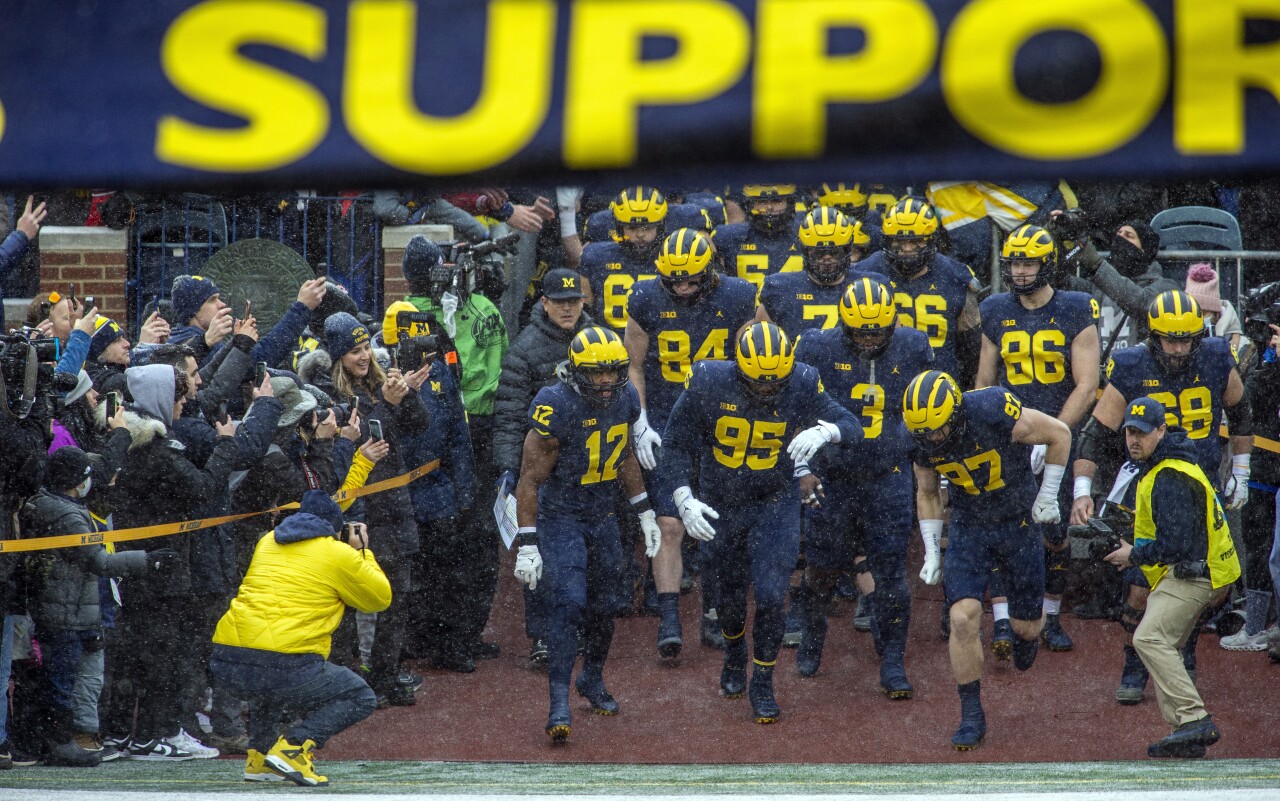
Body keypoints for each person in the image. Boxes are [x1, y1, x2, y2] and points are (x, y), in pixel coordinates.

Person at [660, 322, 861, 724]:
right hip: (721, 501)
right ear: (739, 367)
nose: (768, 390)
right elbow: (675, 444)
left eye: (776, 382)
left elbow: (853, 426)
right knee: (728, 597)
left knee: (771, 595)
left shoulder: (803, 380)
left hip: (774, 499)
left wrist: (829, 432)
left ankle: (763, 681)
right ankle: (735, 654)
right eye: (759, 382)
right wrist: (684, 498)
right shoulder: (708, 380)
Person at [1071, 290, 1250, 704]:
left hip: (1199, 484)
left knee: (1211, 584)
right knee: (1139, 590)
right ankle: (1136, 660)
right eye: (1170, 339)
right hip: (1150, 487)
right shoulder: (1134, 363)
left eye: (1186, 338)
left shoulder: (1216, 355)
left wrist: (1240, 469)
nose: (1179, 347)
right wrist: (1083, 491)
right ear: (1153, 337)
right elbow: (1097, 433)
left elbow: (1241, 411)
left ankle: (1181, 649)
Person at [904, 370, 1072, 749]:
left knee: (1026, 628)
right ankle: (971, 713)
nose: (931, 439)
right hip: (969, 524)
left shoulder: (992, 408)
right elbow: (928, 492)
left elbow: (1060, 434)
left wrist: (1047, 495)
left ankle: (1027, 634)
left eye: (937, 429)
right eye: (923, 432)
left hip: (1018, 520)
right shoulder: (918, 437)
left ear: (956, 413)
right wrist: (932, 549)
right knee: (962, 617)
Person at [512, 326, 660, 742]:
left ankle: (590, 678)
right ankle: (558, 699)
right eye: (595, 374)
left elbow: (625, 453)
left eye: (612, 372)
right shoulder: (554, 404)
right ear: (575, 371)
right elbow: (529, 479)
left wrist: (644, 509)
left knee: (607, 604)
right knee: (567, 604)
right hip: (561, 514)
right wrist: (528, 542)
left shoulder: (626, 397)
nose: (605, 382)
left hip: (602, 512)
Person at [792, 277, 933, 695]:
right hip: (833, 475)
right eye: (861, 330)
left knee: (890, 572)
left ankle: (892, 657)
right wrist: (803, 467)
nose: (870, 339)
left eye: (878, 330)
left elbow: (928, 405)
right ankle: (814, 633)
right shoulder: (817, 347)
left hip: (887, 474)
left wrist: (927, 469)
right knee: (820, 568)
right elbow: (795, 408)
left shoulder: (913, 346)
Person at [624, 228, 758, 660]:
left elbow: (757, 361)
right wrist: (639, 419)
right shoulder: (645, 299)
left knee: (717, 525)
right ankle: (668, 617)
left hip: (722, 421)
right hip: (667, 423)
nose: (682, 286)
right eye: (674, 279)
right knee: (670, 524)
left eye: (690, 278)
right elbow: (634, 365)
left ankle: (714, 612)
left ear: (710, 271)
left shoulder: (739, 297)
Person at [211, 490, 392, 786]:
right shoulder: (338, 554)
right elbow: (379, 598)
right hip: (285, 660)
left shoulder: (268, 541)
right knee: (360, 696)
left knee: (268, 685)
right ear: (335, 527)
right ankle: (293, 748)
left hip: (227, 658)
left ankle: (260, 758)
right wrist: (361, 551)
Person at [976, 225, 1101, 654]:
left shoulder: (1076, 308)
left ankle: (1049, 614)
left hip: (1055, 436)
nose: (1019, 270)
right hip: (1008, 435)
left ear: (1048, 264)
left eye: (1028, 262)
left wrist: (1051, 438)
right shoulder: (994, 308)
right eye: (1013, 262)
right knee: (998, 527)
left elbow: (1086, 385)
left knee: (1054, 532)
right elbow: (984, 382)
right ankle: (1002, 621)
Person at [21, 448, 178, 767]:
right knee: (63, 681)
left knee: (79, 678)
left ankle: (78, 737)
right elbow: (97, 560)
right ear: (75, 481)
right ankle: (59, 742)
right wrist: (149, 560)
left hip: (76, 607)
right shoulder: (67, 515)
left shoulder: (51, 504)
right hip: (67, 610)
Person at [1102, 397, 1240, 759]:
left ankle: (1194, 719)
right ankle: (1184, 730)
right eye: (1130, 432)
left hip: (1192, 575)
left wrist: (1132, 553)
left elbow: (1175, 544)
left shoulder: (1168, 475)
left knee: (1148, 639)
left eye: (1142, 433)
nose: (1134, 440)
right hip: (1200, 572)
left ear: (1161, 431)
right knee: (1162, 643)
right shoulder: (1171, 465)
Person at [308, 312, 432, 707]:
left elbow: (418, 426)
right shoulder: (328, 392)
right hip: (358, 508)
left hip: (394, 504)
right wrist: (390, 406)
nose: (364, 357)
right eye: (354, 351)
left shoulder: (380, 382)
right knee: (347, 599)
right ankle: (350, 679)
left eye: (366, 348)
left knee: (396, 595)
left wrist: (406, 395)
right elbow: (358, 438)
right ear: (337, 355)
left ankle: (385, 674)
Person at [400, 235, 508, 661]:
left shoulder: (404, 316)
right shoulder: (482, 310)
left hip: (432, 436)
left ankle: (434, 636)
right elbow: (492, 376)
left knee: (438, 543)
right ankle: (454, 636)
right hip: (468, 432)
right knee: (468, 541)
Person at [493, 269, 594, 664]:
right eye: (560, 302)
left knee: (590, 553)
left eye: (575, 301)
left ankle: (581, 626)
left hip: (590, 467)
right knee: (538, 554)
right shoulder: (525, 349)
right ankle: (544, 636)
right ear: (545, 303)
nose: (568, 308)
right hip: (543, 472)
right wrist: (507, 469)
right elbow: (509, 416)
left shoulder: (598, 340)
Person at [858, 198, 983, 386]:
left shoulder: (956, 275)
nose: (907, 249)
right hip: (885, 381)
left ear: (931, 239)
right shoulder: (866, 272)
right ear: (887, 241)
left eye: (916, 241)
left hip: (940, 384)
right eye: (900, 242)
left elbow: (971, 347)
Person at [754, 206, 872, 335]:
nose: (827, 258)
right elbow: (762, 341)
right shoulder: (779, 288)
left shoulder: (871, 286)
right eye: (819, 253)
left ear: (847, 250)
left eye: (834, 252)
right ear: (805, 251)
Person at [166, 273, 326, 369]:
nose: (221, 304)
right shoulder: (191, 342)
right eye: (212, 300)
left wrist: (237, 344)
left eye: (219, 298)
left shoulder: (191, 336)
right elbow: (257, 363)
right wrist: (301, 307)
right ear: (193, 310)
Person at [576, 187, 667, 331]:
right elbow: (584, 312)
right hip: (609, 345)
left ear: (660, 227)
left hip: (658, 345)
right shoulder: (595, 256)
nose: (640, 235)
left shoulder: (673, 257)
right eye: (632, 228)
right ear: (619, 227)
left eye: (647, 228)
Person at [712, 185, 803, 296]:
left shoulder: (805, 234)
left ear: (789, 203)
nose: (769, 207)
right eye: (762, 202)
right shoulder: (728, 237)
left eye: (777, 201)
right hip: (747, 310)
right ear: (750, 204)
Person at [1184, 263, 1243, 353]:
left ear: (1216, 314)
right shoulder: (1180, 340)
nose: (1198, 318)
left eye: (1203, 313)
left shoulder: (1241, 345)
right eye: (1193, 312)